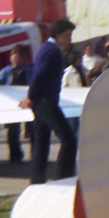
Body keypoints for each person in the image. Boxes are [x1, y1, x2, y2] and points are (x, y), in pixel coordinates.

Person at [20, 19, 77, 185]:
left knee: (41, 142)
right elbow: (39, 75)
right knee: (69, 139)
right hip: (45, 101)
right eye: (67, 35)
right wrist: (30, 96)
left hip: (41, 100)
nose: (69, 39)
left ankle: (36, 182)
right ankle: (64, 178)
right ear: (58, 35)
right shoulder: (52, 51)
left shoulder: (47, 48)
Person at [0, 44, 34, 163]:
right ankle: (15, 155)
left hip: (31, 103)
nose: (13, 61)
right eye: (12, 59)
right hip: (14, 105)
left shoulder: (32, 70)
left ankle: (36, 156)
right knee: (13, 132)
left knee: (35, 130)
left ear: (24, 58)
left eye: (16, 58)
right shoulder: (6, 72)